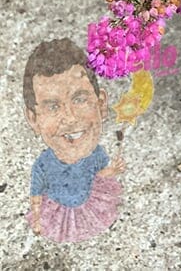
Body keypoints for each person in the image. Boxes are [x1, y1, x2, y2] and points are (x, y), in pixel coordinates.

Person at [23, 38, 125, 243]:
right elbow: (36, 194)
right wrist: (36, 216)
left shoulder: (97, 154)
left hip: (88, 205)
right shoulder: (42, 164)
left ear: (101, 104)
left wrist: (111, 172)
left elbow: (98, 178)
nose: (70, 118)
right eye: (52, 106)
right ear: (33, 119)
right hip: (57, 210)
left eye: (79, 99)